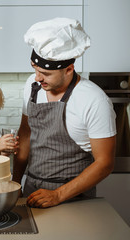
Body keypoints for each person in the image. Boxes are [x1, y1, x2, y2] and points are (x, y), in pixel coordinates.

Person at [12, 18, 117, 208]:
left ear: (69, 69)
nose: (37, 78)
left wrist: (58, 195)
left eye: (45, 73)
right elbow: (26, 134)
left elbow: (105, 162)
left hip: (73, 197)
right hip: (32, 188)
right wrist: (16, 181)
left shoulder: (93, 100)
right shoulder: (32, 85)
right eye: (34, 69)